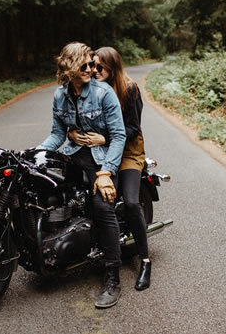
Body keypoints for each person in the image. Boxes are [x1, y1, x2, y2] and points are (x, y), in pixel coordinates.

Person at [39, 42, 127, 309]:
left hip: (102, 159)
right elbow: (57, 133)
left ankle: (112, 275)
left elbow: (119, 135)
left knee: (102, 206)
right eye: (85, 64)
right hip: (74, 155)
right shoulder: (59, 96)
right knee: (46, 191)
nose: (92, 68)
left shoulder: (104, 93)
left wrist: (106, 173)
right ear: (70, 67)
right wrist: (37, 152)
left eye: (93, 64)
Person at [69, 46, 151, 291]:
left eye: (99, 66)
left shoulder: (129, 89)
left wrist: (105, 139)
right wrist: (72, 131)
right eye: (91, 65)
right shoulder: (93, 89)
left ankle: (145, 260)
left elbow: (133, 127)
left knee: (133, 203)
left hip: (128, 153)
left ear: (112, 67)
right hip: (101, 152)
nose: (94, 70)